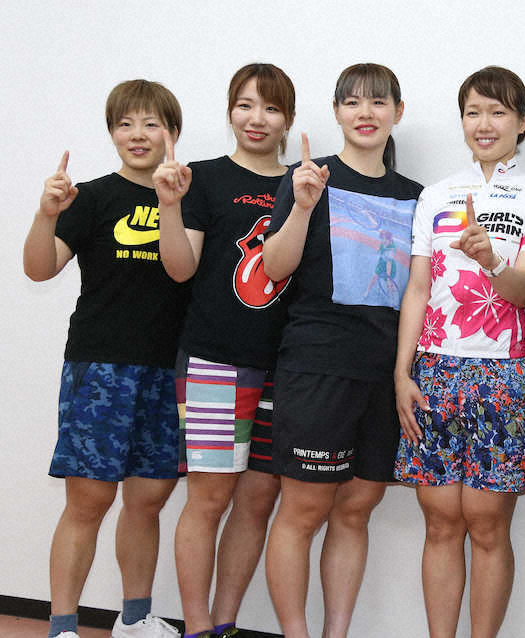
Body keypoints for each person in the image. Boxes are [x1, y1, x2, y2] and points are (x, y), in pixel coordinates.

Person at [394, 66, 525, 638]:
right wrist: (402, 373)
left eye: (498, 112)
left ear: (522, 121)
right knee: (440, 522)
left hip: (505, 371)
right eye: (473, 112)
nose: (484, 124)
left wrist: (491, 260)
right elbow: (418, 288)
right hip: (435, 368)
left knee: (487, 523)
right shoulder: (435, 195)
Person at [261, 63, 422, 638]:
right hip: (317, 366)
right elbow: (273, 268)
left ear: (397, 112)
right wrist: (303, 206)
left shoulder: (416, 197)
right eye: (352, 102)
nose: (365, 113)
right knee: (303, 511)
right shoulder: (309, 178)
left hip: (383, 376)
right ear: (336, 112)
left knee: (355, 511)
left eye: (378, 102)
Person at [23, 80, 188, 638]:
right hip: (99, 367)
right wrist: (46, 214)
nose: (137, 135)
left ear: (173, 132)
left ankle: (135, 619)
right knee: (88, 499)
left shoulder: (187, 196)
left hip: (166, 369)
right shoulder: (91, 197)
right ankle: (62, 627)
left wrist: (172, 202)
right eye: (125, 124)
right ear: (112, 132)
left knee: (147, 500)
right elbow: (39, 269)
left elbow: (185, 271)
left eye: (151, 123)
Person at [153, 63, 295, 638]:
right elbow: (179, 268)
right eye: (245, 105)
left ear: (288, 118)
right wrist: (168, 205)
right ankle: (196, 626)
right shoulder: (204, 178)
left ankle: (226, 623)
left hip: (289, 366)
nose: (256, 119)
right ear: (230, 111)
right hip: (215, 359)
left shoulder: (306, 183)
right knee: (209, 498)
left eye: (271, 108)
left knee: (258, 500)